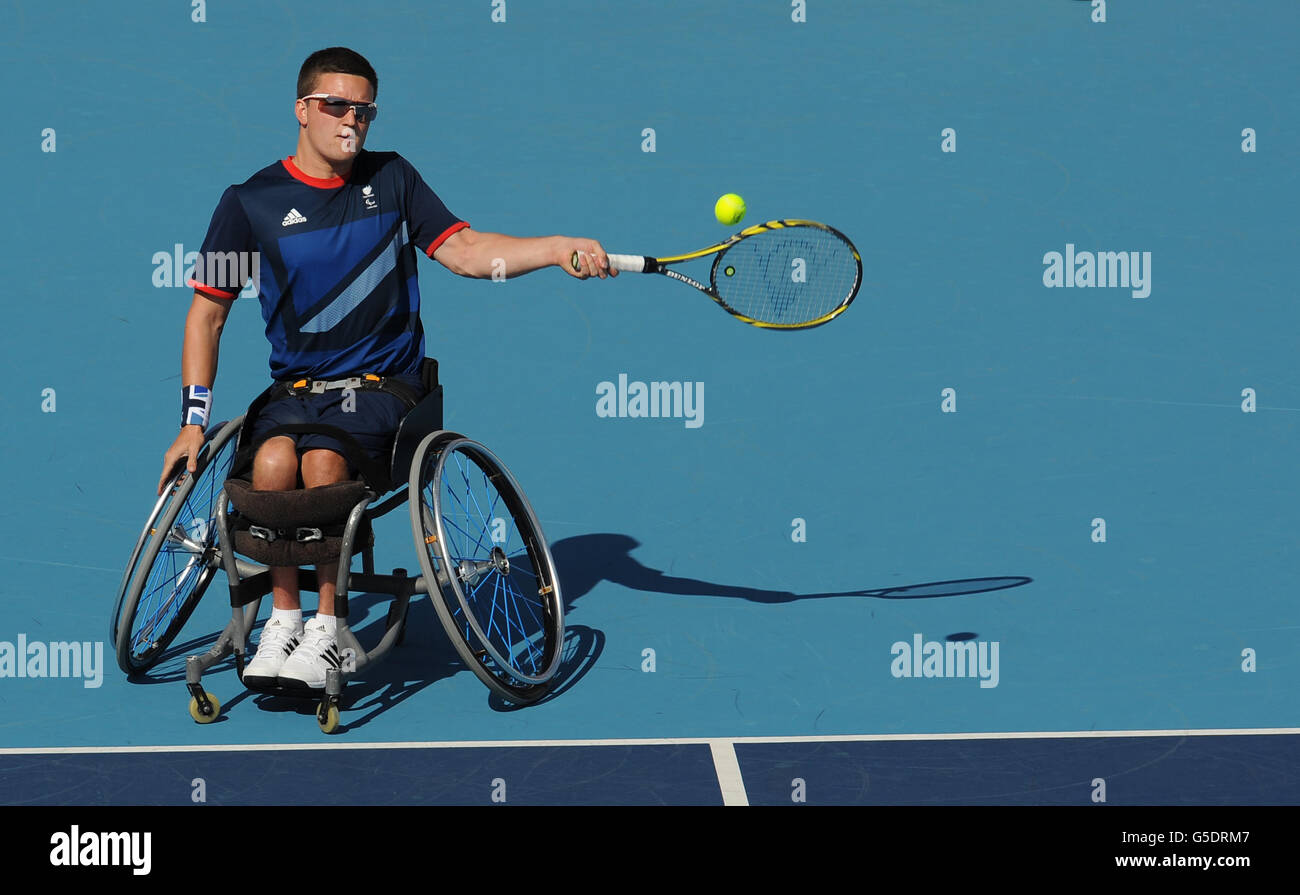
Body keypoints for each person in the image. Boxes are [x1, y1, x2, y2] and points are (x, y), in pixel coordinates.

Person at [157, 46, 615, 690]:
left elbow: (464, 252)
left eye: (364, 110)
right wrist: (192, 422)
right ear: (302, 109)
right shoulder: (250, 204)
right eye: (336, 105)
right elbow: (207, 313)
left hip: (383, 389)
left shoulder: (392, 181)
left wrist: (553, 247)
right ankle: (282, 622)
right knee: (268, 466)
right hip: (296, 389)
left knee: (321, 464)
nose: (352, 121)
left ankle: (326, 628)